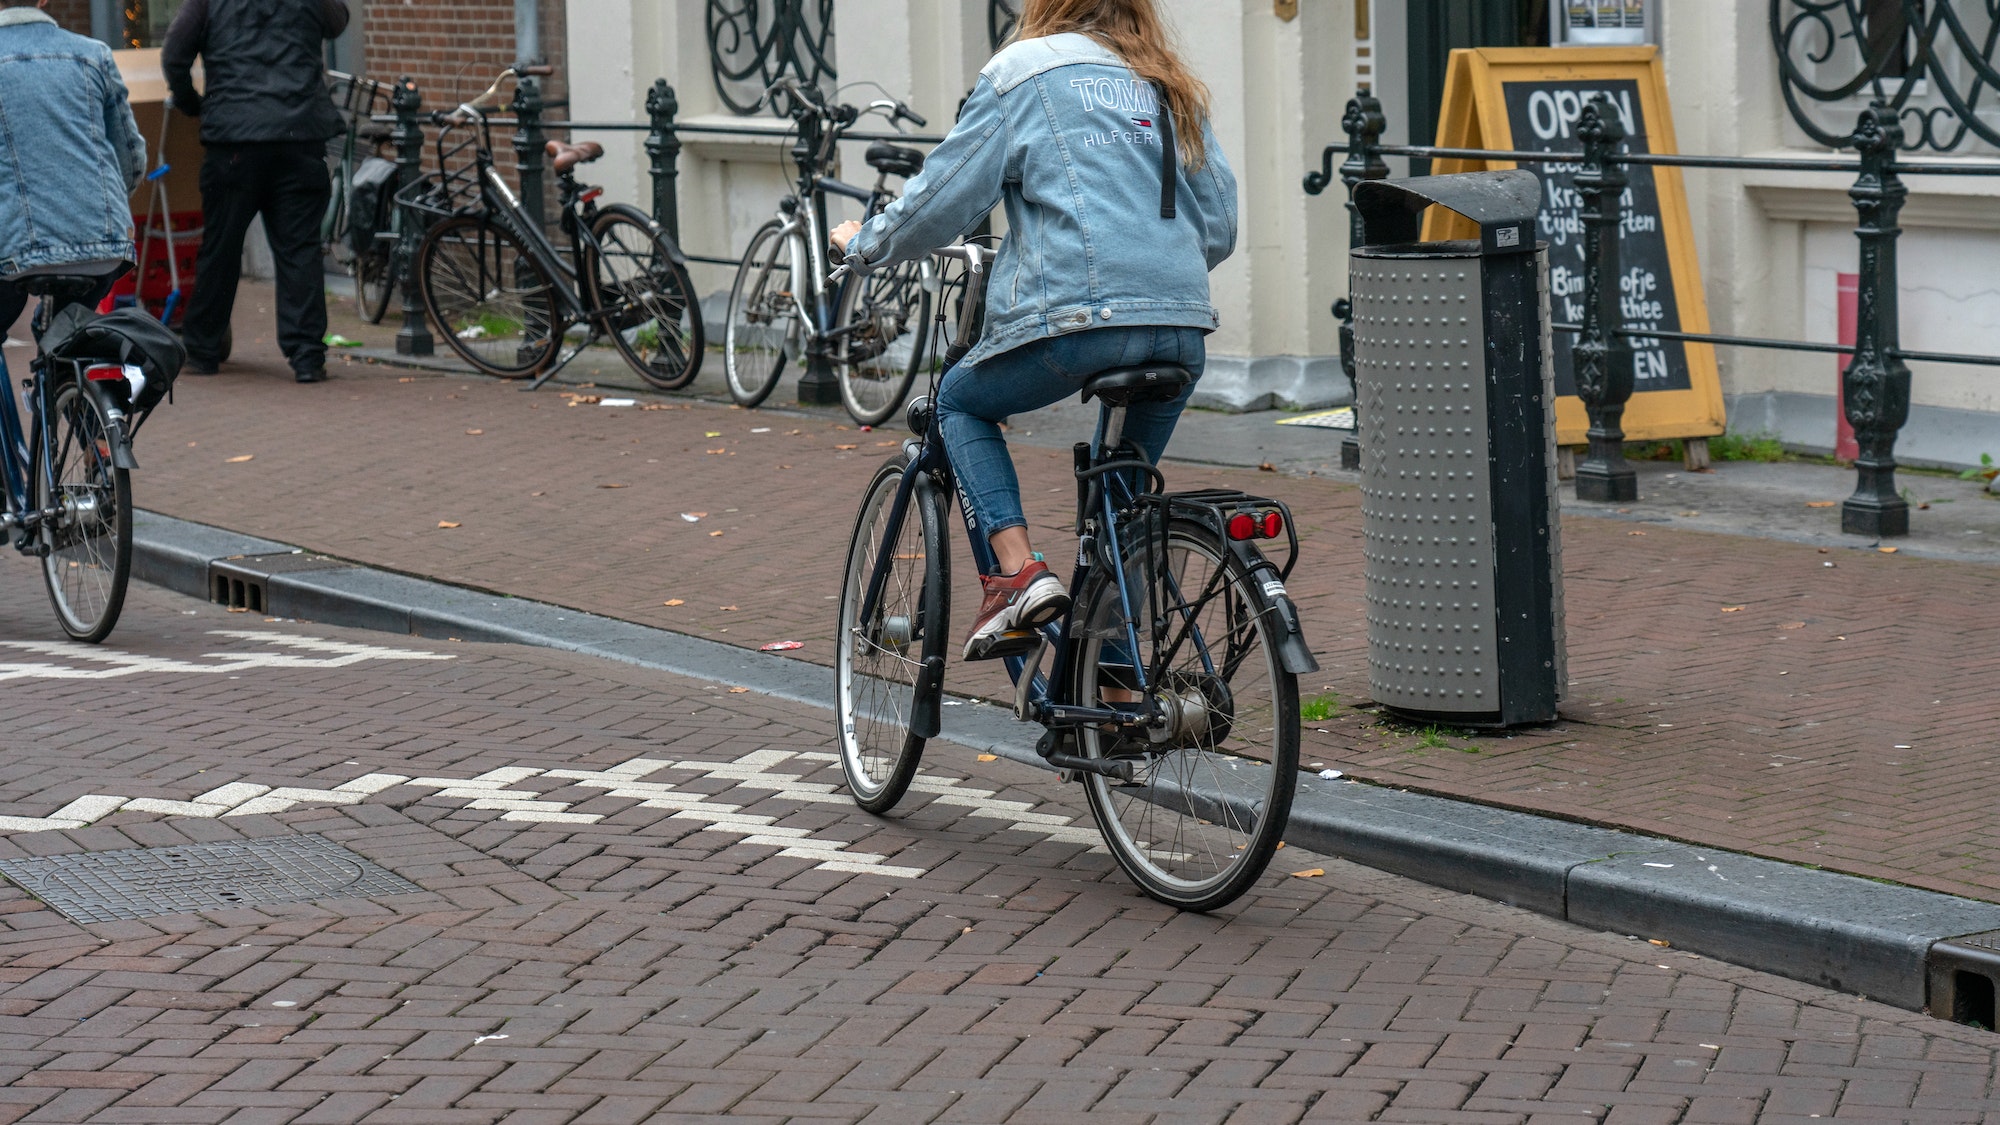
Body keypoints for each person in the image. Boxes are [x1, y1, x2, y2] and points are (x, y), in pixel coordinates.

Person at [831, 0, 1236, 660]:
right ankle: (1113, 699)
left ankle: (1018, 573)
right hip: (1182, 323)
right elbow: (1218, 224)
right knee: (1121, 513)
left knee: (958, 401)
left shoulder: (1022, 72)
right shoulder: (1166, 81)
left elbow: (940, 201)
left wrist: (866, 244)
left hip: (1083, 321)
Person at [162, 0, 349, 384]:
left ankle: (203, 349)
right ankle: (307, 356)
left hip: (234, 139)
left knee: (221, 248)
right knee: (300, 250)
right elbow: (338, 21)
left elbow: (175, 56)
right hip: (299, 134)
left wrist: (193, 104)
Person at [0, 0, 146, 339]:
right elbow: (132, 157)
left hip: (15, 246)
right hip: (102, 244)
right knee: (66, 333)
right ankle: (70, 379)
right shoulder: (93, 53)